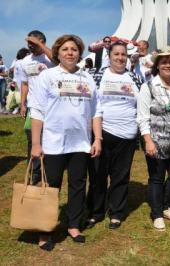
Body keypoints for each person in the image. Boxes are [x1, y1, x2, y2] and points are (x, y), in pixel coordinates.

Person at [29, 34, 102, 251]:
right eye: (65, 49)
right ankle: (45, 230)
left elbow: (96, 110)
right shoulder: (47, 76)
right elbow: (37, 110)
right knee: (51, 187)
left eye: (74, 49)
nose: (70, 52)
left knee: (78, 185)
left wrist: (97, 138)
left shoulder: (87, 78)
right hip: (52, 142)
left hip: (80, 143)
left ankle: (73, 225)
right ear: (58, 53)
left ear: (79, 53)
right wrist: (35, 143)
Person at [85, 41, 140, 230]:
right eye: (116, 54)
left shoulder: (134, 77)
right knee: (98, 176)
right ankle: (95, 212)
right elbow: (91, 104)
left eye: (123, 54)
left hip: (127, 136)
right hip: (102, 133)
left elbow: (141, 104)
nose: (120, 58)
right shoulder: (98, 75)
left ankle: (116, 213)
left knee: (120, 176)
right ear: (109, 56)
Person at [137, 46, 170, 231]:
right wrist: (148, 141)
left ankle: (165, 205)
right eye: (163, 62)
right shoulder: (148, 86)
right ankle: (157, 213)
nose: (168, 65)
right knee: (157, 178)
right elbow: (143, 117)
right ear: (157, 65)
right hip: (156, 140)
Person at [20, 30, 54, 185]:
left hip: (52, 106)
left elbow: (58, 59)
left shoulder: (49, 57)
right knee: (32, 138)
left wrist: (39, 43)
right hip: (33, 106)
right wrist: (22, 103)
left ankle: (48, 169)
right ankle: (34, 172)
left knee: (48, 138)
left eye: (33, 43)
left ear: (42, 41)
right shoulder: (25, 61)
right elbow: (24, 83)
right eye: (29, 43)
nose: (30, 46)